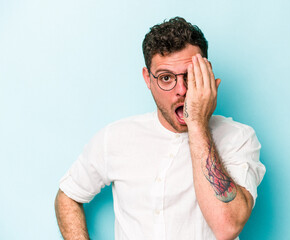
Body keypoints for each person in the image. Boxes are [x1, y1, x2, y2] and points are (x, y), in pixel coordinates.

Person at [54, 17, 266, 240]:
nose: (182, 90)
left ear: (207, 72)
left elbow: (227, 227)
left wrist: (197, 123)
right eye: (166, 78)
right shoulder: (116, 137)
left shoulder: (238, 138)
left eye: (190, 75)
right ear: (148, 78)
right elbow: (68, 195)